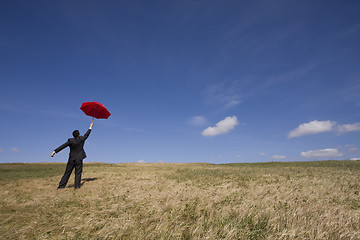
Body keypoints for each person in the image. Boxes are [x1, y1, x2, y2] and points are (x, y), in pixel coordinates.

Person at [51, 119, 94, 189]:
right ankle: (77, 187)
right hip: (79, 159)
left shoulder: (70, 140)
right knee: (78, 173)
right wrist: (90, 127)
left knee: (67, 173)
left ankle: (61, 186)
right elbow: (86, 135)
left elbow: (63, 146)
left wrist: (54, 151)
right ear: (79, 134)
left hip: (71, 159)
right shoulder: (81, 139)